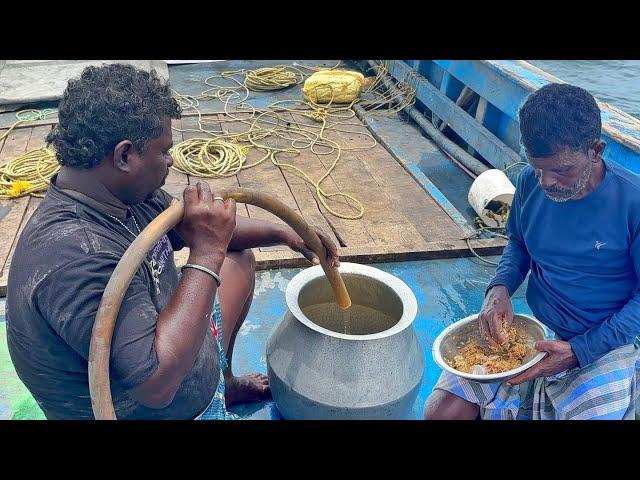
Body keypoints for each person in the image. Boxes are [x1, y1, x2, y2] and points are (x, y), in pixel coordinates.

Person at [6, 63, 340, 420]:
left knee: (237, 259)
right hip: (143, 405)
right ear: (124, 156)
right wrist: (207, 250)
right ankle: (209, 399)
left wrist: (285, 233)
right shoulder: (74, 256)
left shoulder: (121, 193)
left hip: (169, 339)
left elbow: (198, 227)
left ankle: (222, 384)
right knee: (218, 256)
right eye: (163, 151)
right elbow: (156, 387)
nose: (169, 161)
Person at [424, 83, 640, 420]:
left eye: (562, 170)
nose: (547, 182)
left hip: (606, 339)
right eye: (537, 167)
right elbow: (519, 244)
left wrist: (580, 351)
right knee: (443, 412)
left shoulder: (633, 202)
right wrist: (499, 290)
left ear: (596, 150)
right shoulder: (528, 182)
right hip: (536, 331)